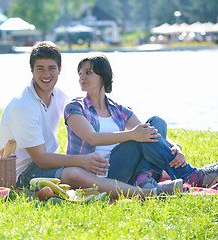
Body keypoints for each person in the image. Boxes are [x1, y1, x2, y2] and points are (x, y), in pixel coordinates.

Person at [0, 41, 182, 199]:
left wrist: (173, 146)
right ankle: (148, 193)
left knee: (152, 129)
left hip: (53, 164)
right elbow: (41, 159)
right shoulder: (23, 105)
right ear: (31, 70)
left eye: (51, 68)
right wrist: (82, 160)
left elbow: (143, 128)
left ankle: (184, 174)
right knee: (75, 174)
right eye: (40, 69)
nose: (46, 74)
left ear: (59, 70)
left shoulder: (60, 97)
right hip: (22, 174)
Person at [64, 53, 218, 189]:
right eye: (80, 73)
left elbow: (148, 130)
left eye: (88, 72)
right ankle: (190, 175)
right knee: (142, 135)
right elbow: (92, 138)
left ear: (103, 76)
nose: (82, 77)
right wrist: (132, 135)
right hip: (93, 175)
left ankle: (143, 178)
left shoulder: (119, 109)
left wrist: (175, 146)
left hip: (123, 169)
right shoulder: (75, 107)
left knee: (156, 122)